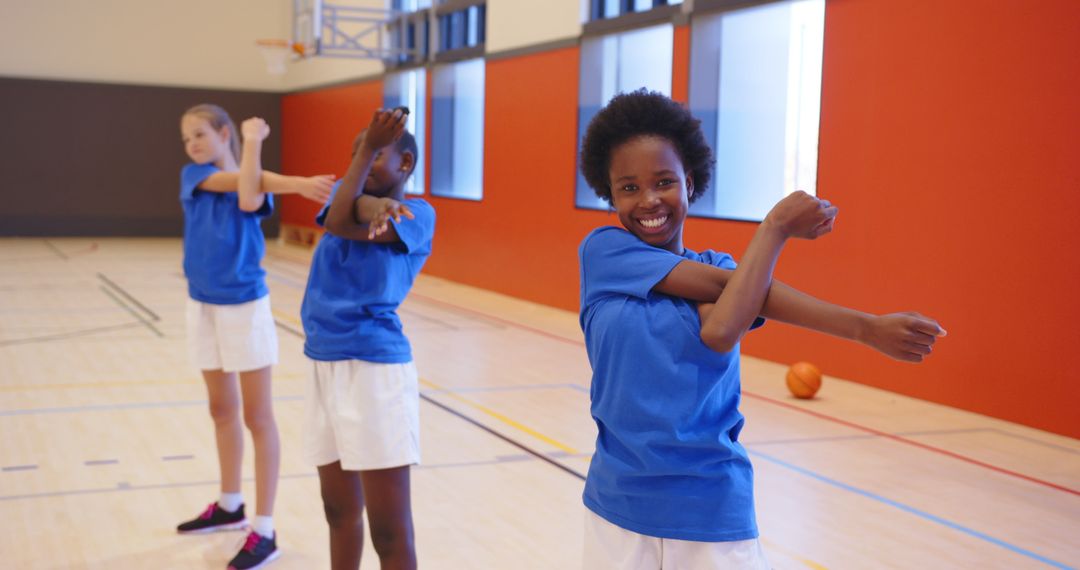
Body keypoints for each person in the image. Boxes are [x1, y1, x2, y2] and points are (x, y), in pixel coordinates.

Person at [577, 89, 946, 569]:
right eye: (628, 188)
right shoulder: (605, 252)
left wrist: (867, 328)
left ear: (689, 182)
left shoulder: (724, 268)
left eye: (664, 181)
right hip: (617, 508)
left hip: (710, 510)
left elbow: (721, 331)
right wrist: (777, 229)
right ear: (609, 194)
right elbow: (730, 291)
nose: (648, 200)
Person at [176, 104, 334, 570]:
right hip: (202, 304)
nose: (193, 145)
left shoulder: (250, 179)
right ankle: (230, 505)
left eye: (201, 135)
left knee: (257, 417)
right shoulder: (194, 175)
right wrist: (301, 184)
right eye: (187, 139)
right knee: (221, 409)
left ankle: (264, 529)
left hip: (244, 308)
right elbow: (244, 183)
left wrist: (254, 144)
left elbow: (248, 194)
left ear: (225, 133)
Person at [299, 107, 434, 570]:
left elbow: (339, 221)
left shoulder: (418, 215)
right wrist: (366, 191)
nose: (363, 159)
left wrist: (372, 205)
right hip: (322, 362)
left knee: (389, 530)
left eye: (376, 153)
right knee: (338, 511)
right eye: (357, 152)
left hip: (375, 370)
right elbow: (341, 211)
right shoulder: (347, 194)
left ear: (406, 164)